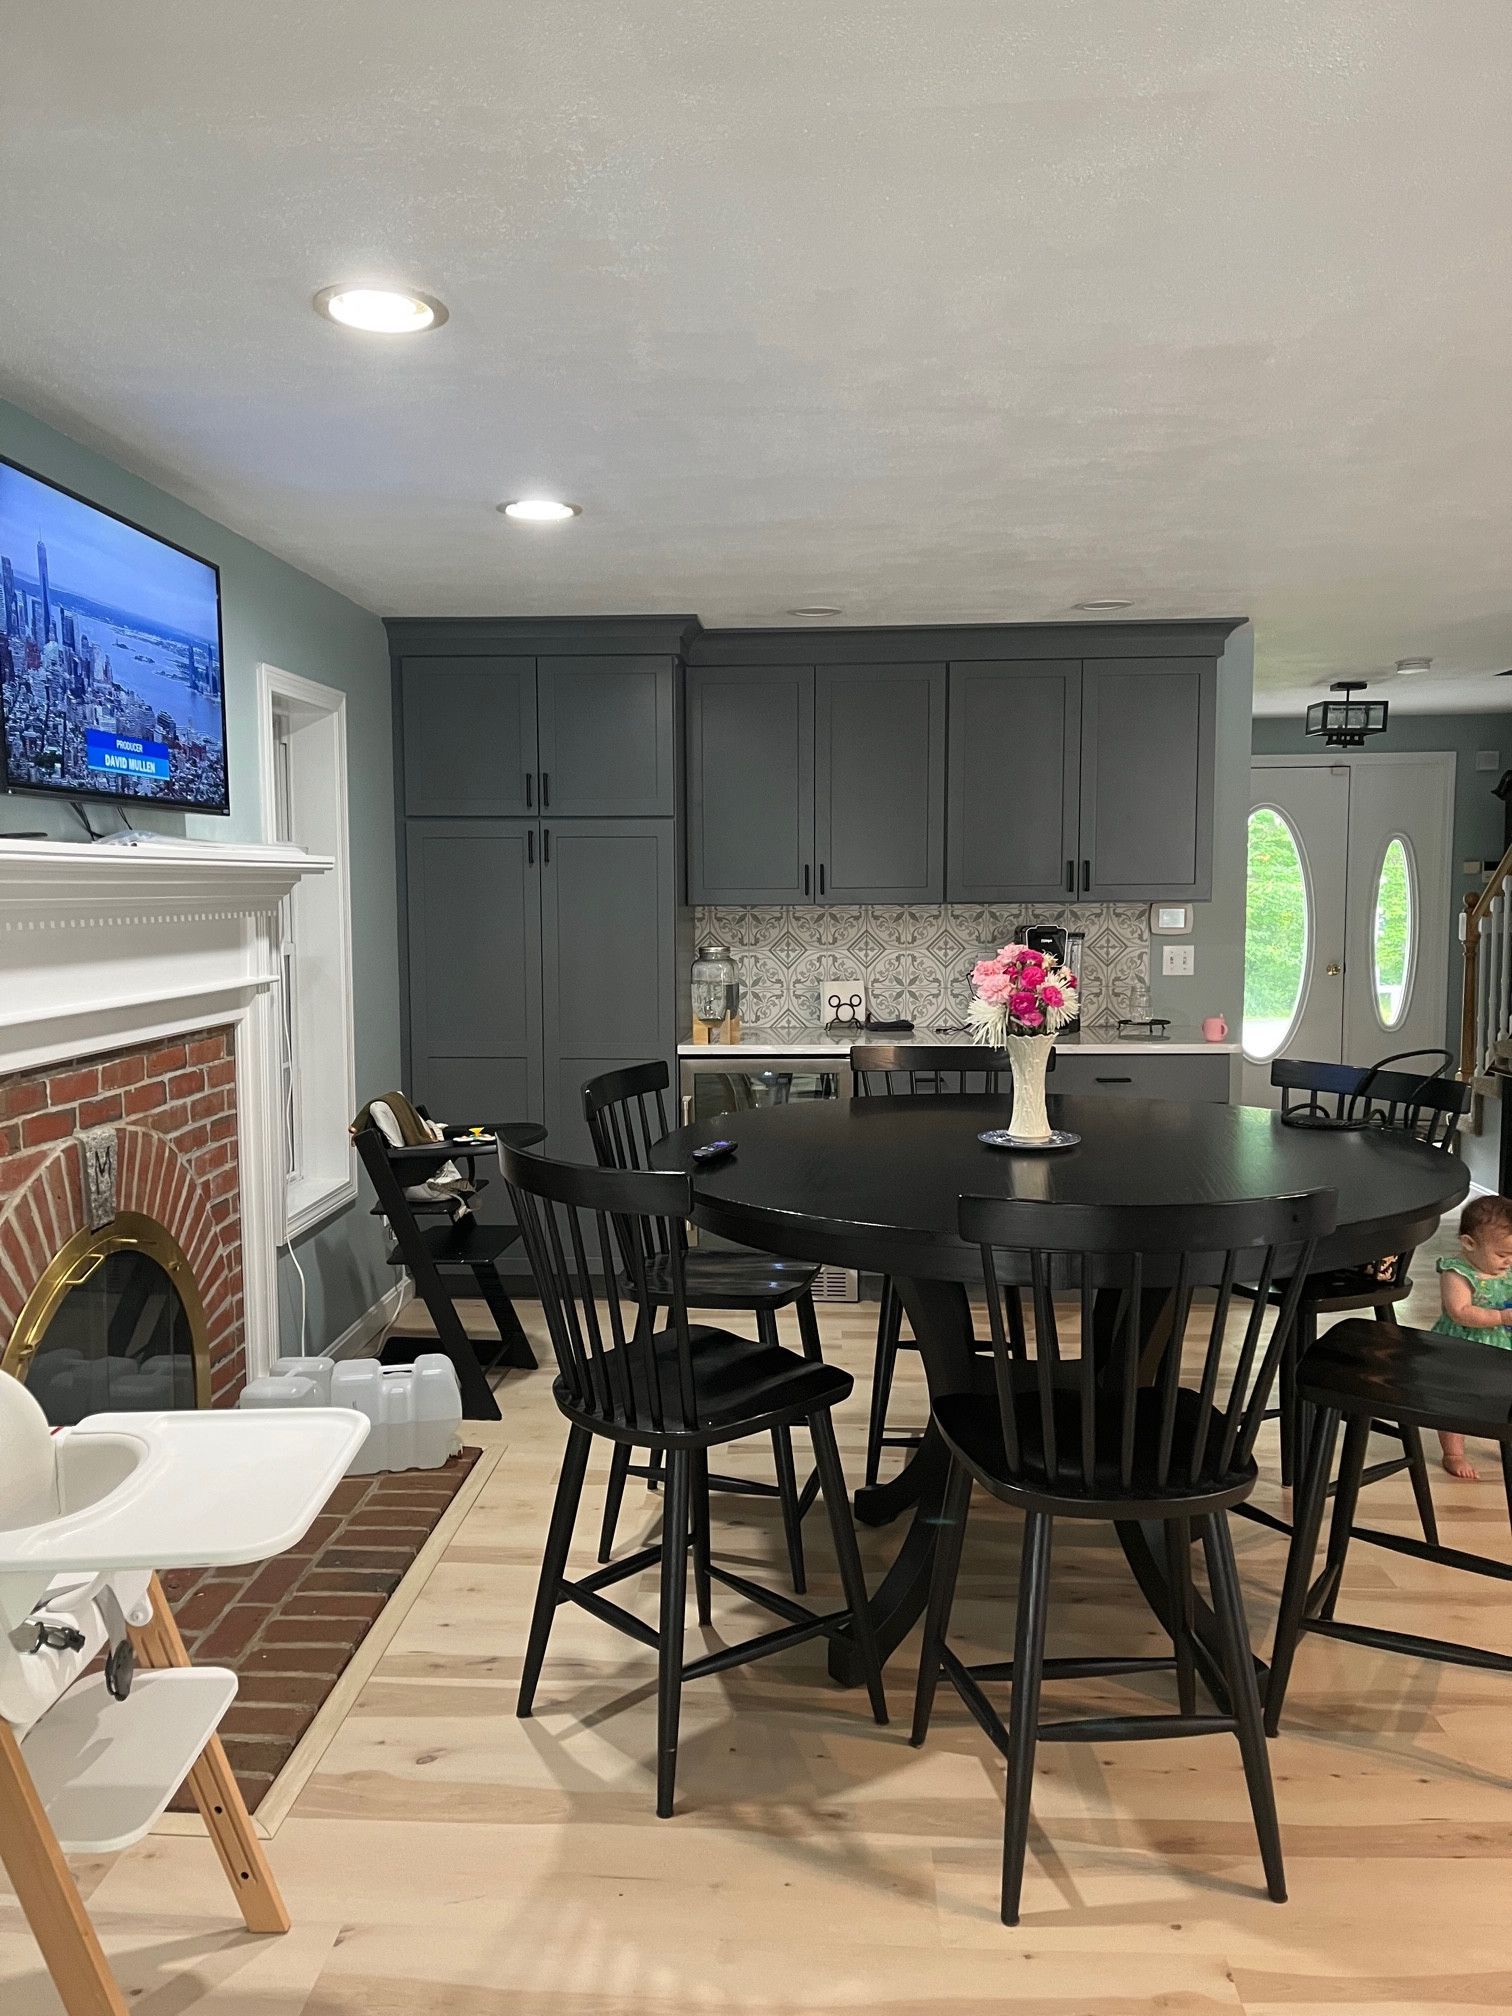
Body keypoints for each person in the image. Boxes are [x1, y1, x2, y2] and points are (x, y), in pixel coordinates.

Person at [1430, 1193, 1512, 1479]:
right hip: (1462, 1350)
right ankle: (1453, 1452)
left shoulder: (1508, 1270)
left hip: (1501, 1348)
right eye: (1501, 1255)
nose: (1507, 1262)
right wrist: (1500, 1317)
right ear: (1468, 1244)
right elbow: (1459, 1311)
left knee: (1505, 1397)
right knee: (1456, 1402)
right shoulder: (1458, 1273)